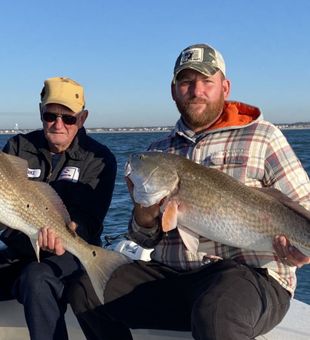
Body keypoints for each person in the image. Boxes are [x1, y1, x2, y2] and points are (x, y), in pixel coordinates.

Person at [48, 45, 309, 340]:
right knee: (86, 289)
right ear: (173, 91)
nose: (196, 90)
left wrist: (298, 251)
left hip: (250, 277)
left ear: (225, 87)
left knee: (216, 308)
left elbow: (304, 205)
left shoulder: (263, 136)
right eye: (186, 82)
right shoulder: (158, 150)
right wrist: (144, 215)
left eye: (207, 81)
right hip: (173, 276)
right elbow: (143, 238)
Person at [0, 77, 117, 340]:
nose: (58, 124)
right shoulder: (18, 146)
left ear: (83, 118)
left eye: (69, 118)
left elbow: (90, 219)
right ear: (41, 113)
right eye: (50, 115)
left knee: (37, 278)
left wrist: (71, 230)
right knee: (31, 272)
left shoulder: (99, 158)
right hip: (20, 249)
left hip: (70, 256)